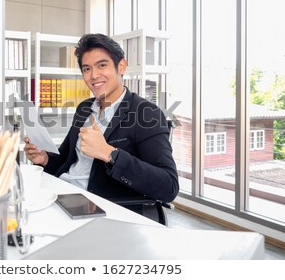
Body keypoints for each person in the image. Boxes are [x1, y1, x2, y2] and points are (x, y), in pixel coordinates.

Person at [23, 33, 179, 219]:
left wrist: (109, 154)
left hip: (96, 208)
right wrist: (45, 159)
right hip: (63, 195)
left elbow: (169, 186)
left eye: (102, 65)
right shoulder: (85, 109)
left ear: (121, 66)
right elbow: (66, 159)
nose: (94, 75)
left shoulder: (146, 113)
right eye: (87, 69)